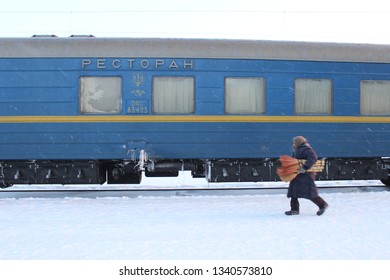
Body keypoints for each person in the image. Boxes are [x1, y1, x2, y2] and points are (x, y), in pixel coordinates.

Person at [285, 136, 329, 216]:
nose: (293, 144)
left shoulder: (306, 149)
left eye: (294, 142)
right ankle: (294, 209)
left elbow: (313, 158)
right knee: (293, 193)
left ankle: (322, 205)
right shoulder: (298, 150)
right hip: (298, 175)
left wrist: (305, 167)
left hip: (306, 175)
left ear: (298, 142)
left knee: (310, 193)